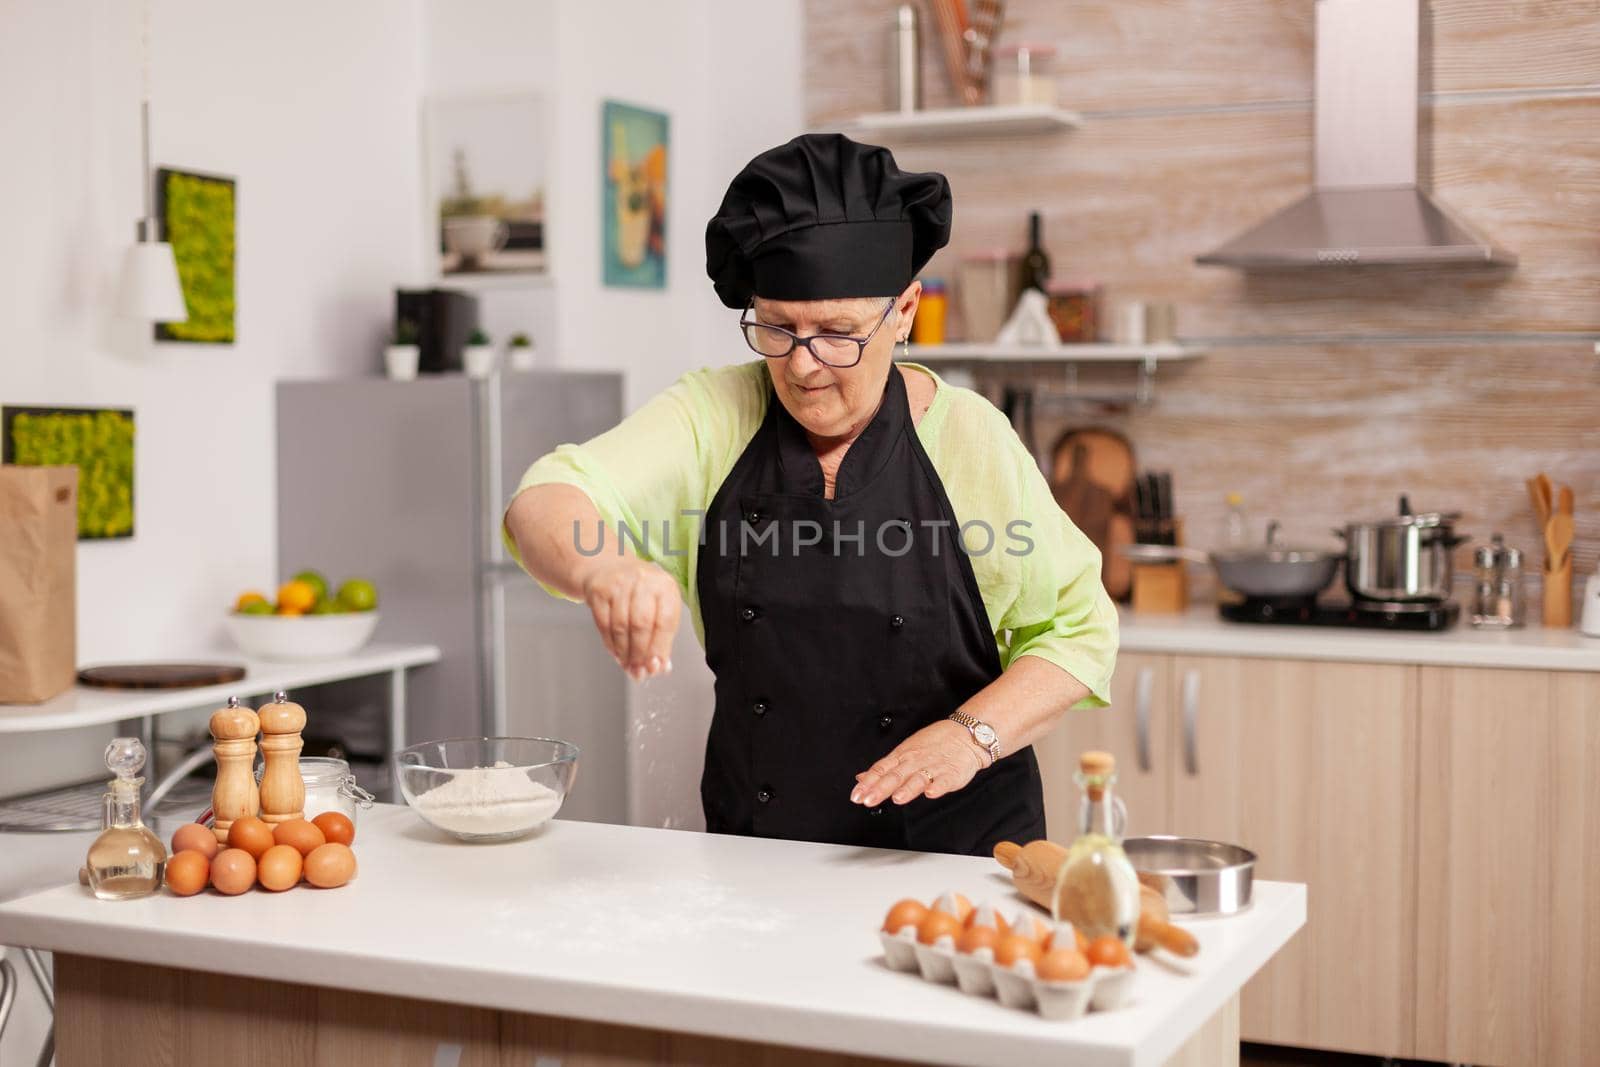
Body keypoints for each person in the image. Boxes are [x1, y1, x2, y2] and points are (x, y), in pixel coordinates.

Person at [503, 134, 1116, 856]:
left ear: (905, 311)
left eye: (837, 334)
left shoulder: (971, 440)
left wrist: (970, 735)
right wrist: (603, 566)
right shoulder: (716, 413)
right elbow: (544, 499)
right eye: (778, 327)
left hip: (955, 856)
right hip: (762, 856)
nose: (802, 365)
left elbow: (1079, 632)